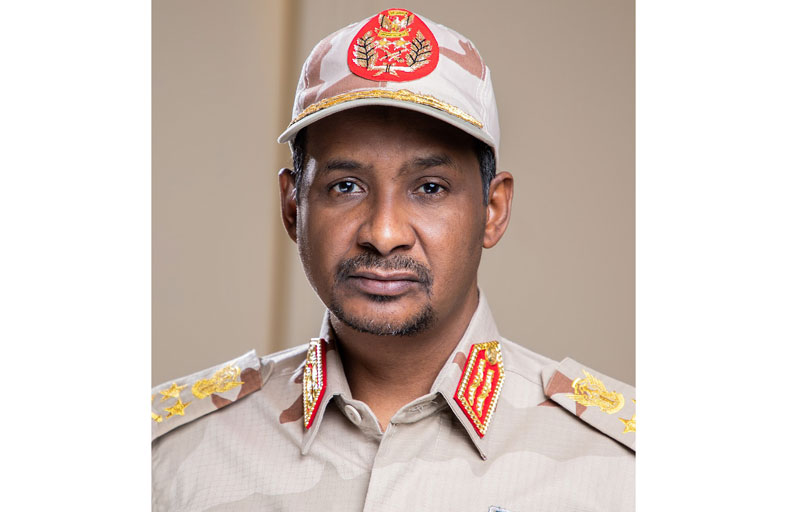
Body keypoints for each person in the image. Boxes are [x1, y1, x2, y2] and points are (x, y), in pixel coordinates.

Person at [152, 8, 635, 511]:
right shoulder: (168, 457)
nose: (383, 235)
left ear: (493, 210)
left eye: (430, 188)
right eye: (346, 186)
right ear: (293, 207)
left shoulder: (621, 469)